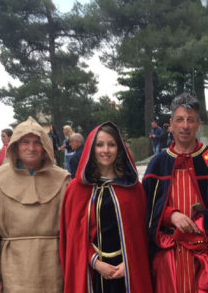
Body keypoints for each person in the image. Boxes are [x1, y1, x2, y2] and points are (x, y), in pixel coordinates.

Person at [144, 93, 208, 293]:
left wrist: (202, 221)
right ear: (171, 124)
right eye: (180, 120)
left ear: (198, 124)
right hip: (168, 259)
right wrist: (169, 215)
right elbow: (145, 209)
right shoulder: (158, 164)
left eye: (191, 120)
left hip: (206, 260)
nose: (185, 126)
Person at [60, 122, 152, 293]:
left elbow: (141, 236)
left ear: (119, 149)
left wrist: (129, 262)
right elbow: (74, 238)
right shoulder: (76, 189)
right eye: (100, 144)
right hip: (92, 271)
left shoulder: (133, 188)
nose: (106, 150)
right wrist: (96, 262)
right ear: (91, 148)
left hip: (127, 270)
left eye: (111, 144)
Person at [0, 117, 70, 293]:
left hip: (52, 264)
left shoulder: (63, 179)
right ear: (15, 145)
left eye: (37, 142)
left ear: (45, 146)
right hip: (13, 265)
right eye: (25, 142)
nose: (31, 148)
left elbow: (70, 230)